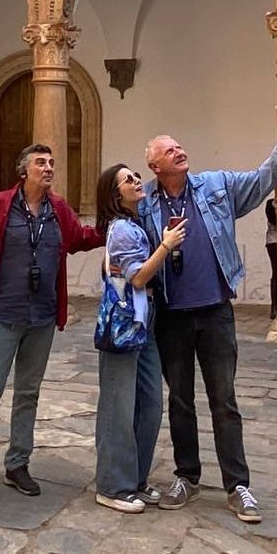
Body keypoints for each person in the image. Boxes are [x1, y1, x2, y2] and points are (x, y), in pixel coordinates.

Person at [140, 108, 277, 524]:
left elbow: (262, 179)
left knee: (224, 401)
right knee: (179, 401)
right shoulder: (145, 207)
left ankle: (238, 485)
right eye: (170, 150)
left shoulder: (215, 186)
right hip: (171, 316)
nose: (180, 152)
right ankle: (187, 476)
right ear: (154, 166)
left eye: (180, 146)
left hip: (215, 313)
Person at [0, 144, 103, 501]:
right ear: (23, 170)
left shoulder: (58, 209)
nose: (48, 168)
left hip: (42, 316)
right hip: (3, 315)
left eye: (51, 163)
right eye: (40, 163)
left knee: (28, 393)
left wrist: (113, 224)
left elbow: (81, 238)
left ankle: (17, 464)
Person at [92, 164, 186, 513]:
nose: (136, 181)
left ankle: (135, 479)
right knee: (118, 407)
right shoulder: (120, 230)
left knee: (149, 404)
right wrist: (166, 245)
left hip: (142, 326)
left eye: (135, 176)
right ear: (116, 195)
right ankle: (112, 485)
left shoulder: (135, 225)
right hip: (123, 328)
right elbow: (137, 278)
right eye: (128, 180)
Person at [264, 198, 277, 320]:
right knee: (276, 273)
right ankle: (275, 306)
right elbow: (274, 221)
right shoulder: (271, 204)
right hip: (274, 241)